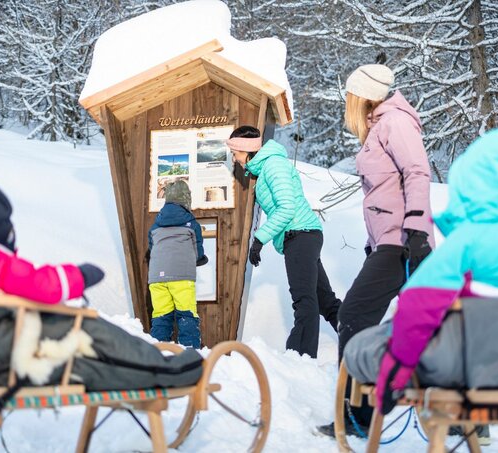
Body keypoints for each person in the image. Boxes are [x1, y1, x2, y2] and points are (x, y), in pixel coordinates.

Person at [342, 128, 498, 445]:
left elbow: (417, 310)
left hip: (465, 373)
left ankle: (357, 419)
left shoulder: (466, 246)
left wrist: (397, 370)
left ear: (472, 184)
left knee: (364, 346)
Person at [0, 183, 203, 397]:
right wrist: (81, 275)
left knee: (142, 321)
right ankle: (164, 370)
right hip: (6, 368)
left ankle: (157, 357)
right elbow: (43, 284)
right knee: (90, 332)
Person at [318, 63, 435, 437]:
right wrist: (374, 245)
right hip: (390, 242)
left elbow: (417, 172)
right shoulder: (379, 126)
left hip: (404, 242)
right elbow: (384, 193)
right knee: (409, 325)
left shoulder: (394, 122)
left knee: (354, 315)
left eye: (350, 95)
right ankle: (366, 414)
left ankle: (356, 417)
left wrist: (416, 229)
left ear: (362, 96)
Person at [227, 126, 341, 359]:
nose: (234, 158)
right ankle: (360, 336)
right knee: (324, 300)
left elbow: (287, 207)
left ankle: (299, 358)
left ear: (247, 150)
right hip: (302, 235)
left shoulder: (273, 165)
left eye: (235, 153)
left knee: (304, 299)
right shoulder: (265, 169)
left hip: (299, 234)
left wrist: (260, 239)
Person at [147, 180, 208, 348]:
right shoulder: (191, 223)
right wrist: (199, 259)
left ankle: (159, 351)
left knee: (161, 316)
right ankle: (189, 352)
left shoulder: (155, 225)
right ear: (186, 200)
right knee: (186, 314)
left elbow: (152, 247)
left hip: (157, 278)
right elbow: (197, 249)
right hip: (181, 276)